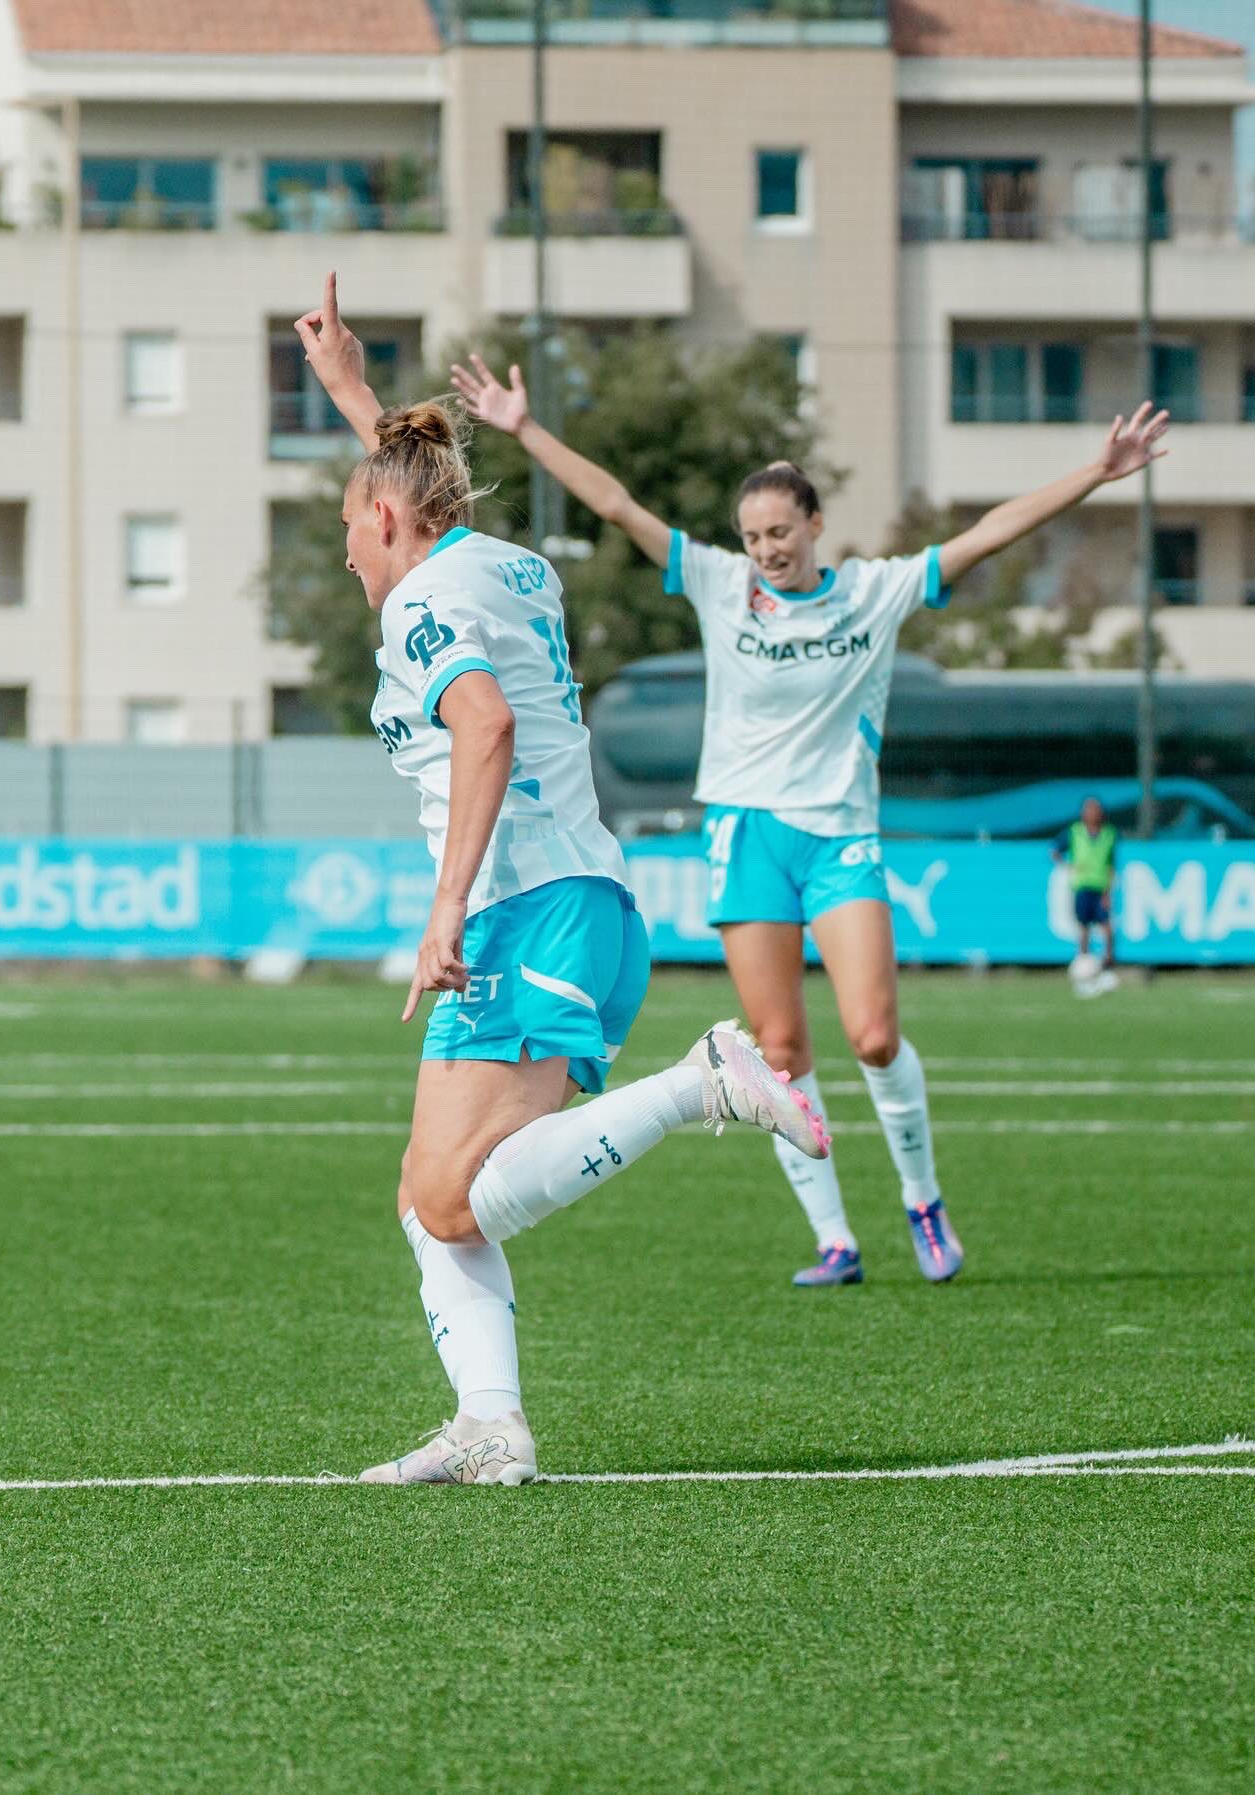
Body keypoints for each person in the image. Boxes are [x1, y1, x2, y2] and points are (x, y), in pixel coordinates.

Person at [452, 351, 1170, 1289]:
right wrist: (524, 428)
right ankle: (835, 1237)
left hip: (839, 835)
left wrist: (1096, 473)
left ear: (815, 523)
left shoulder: (874, 594)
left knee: (872, 1033)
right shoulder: (717, 585)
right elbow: (620, 506)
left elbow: (988, 533)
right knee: (781, 1051)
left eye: (780, 531)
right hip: (746, 836)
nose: (765, 549)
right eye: (752, 535)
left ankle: (922, 1198)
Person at [293, 275, 829, 1485]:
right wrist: (351, 393)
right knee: (431, 1200)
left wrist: (442, 911)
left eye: (344, 526)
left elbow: (483, 729)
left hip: (519, 911)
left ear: (383, 522)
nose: (342, 549)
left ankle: (698, 1086)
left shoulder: (419, 602)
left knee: (449, 1198)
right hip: (584, 904)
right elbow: (414, 488)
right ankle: (491, 1423)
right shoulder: (501, 563)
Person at [1054, 795, 1119, 974]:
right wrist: (1068, 866)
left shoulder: (1109, 833)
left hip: (1100, 886)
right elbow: (1054, 851)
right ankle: (1083, 961)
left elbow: (1111, 864)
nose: (1093, 813)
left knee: (1106, 925)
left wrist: (1108, 890)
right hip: (1082, 886)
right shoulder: (1075, 832)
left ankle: (1109, 963)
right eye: (1089, 809)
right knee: (1084, 926)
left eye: (1096, 810)